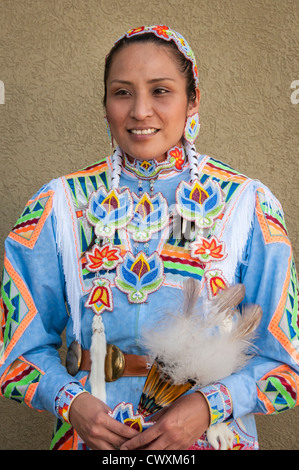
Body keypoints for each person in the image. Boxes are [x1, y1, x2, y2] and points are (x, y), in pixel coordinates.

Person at [0, 25, 298, 451]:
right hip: (90, 440)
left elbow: (287, 363)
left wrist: (208, 405)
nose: (141, 111)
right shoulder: (59, 205)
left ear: (193, 100)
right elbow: (15, 353)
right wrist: (71, 402)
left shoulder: (247, 206)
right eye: (122, 92)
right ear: (105, 105)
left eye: (161, 91)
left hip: (211, 439)